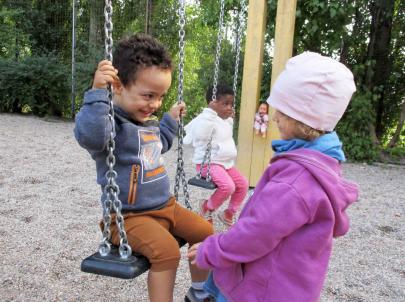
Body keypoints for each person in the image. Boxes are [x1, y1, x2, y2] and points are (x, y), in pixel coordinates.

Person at [187, 51, 359, 302]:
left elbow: (256, 233)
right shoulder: (321, 162)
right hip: (290, 285)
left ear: (304, 120)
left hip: (260, 289)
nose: (276, 117)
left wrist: (211, 249)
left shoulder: (295, 182)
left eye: (284, 112)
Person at [74, 33, 214, 302]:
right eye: (149, 95)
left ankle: (199, 292)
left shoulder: (148, 119)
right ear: (117, 86)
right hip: (128, 218)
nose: (155, 104)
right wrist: (95, 95)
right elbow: (90, 137)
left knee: (206, 233)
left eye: (160, 97)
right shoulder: (109, 123)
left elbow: (158, 144)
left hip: (165, 206)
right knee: (168, 251)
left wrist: (170, 120)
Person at [184, 84, 248, 227]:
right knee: (228, 186)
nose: (230, 107)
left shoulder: (224, 120)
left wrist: (230, 120)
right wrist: (210, 114)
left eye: (231, 104)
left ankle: (228, 213)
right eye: (225, 103)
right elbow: (201, 135)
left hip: (224, 163)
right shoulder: (205, 119)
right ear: (212, 104)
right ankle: (206, 207)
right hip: (208, 163)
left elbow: (224, 137)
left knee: (243, 184)